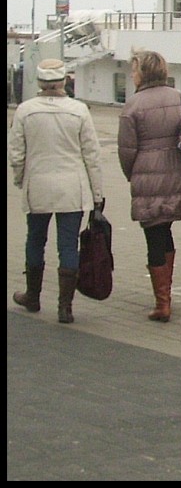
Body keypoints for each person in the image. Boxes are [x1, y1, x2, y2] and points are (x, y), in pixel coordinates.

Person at [9, 58, 105, 324]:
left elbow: (17, 154)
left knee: (35, 240)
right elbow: (92, 156)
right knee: (68, 245)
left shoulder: (25, 111)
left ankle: (33, 294)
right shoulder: (79, 110)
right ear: (64, 81)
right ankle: (65, 307)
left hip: (38, 184)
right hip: (73, 188)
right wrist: (97, 195)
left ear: (39, 82)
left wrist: (21, 180)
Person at [118, 49, 181, 323]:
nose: (132, 75)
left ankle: (162, 302)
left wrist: (133, 175)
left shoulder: (132, 105)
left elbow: (126, 150)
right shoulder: (180, 98)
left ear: (142, 73)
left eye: (134, 70)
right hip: (177, 174)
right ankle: (166, 294)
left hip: (147, 178)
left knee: (153, 235)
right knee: (164, 231)